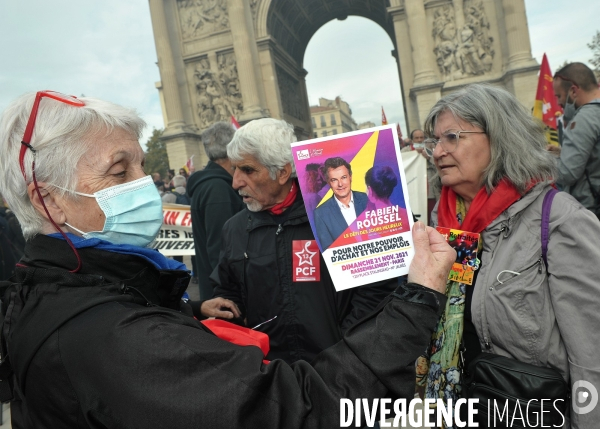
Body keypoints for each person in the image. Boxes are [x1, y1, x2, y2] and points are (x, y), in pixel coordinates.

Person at [0, 91, 455, 429]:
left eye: (138, 166)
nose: (144, 185)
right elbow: (296, 410)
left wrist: (191, 311)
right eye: (120, 171)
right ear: (50, 202)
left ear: (283, 171)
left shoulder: (70, 294)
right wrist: (417, 301)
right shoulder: (118, 339)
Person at [420, 83, 600, 428]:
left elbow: (592, 359)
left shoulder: (561, 219)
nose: (438, 151)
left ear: (499, 137)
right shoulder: (440, 225)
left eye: (453, 137)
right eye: (434, 141)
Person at [201, 119, 396, 364]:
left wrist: (344, 348)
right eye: (235, 169)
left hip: (338, 370)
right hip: (271, 375)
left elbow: (376, 290)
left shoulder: (338, 216)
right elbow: (228, 293)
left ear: (282, 172)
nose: (236, 182)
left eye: (248, 170)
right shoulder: (235, 229)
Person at [187, 121, 243, 300]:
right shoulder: (217, 189)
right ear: (232, 148)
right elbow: (220, 251)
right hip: (224, 297)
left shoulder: (213, 185)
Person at [551, 62, 600, 216]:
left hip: (592, 211)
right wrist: (562, 152)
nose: (558, 103)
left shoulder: (584, 118)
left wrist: (543, 160)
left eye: (559, 96)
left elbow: (567, 173)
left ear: (573, 91)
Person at [313, 157, 368, 250]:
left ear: (350, 177)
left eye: (344, 177)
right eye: (334, 180)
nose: (340, 184)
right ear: (328, 182)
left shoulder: (367, 199)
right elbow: (329, 251)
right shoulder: (320, 213)